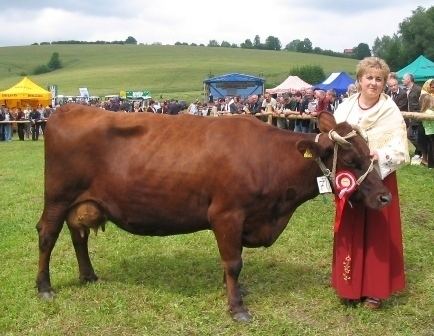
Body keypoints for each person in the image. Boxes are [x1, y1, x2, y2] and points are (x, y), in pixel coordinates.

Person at [332, 57, 409, 309]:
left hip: (378, 179)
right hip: (352, 183)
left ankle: (374, 290)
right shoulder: (344, 109)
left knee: (377, 232)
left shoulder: (391, 111)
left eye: (379, 79)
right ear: (359, 80)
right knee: (350, 230)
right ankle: (349, 285)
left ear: (385, 83)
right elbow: (331, 141)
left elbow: (399, 147)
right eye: (369, 78)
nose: (373, 83)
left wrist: (380, 154)